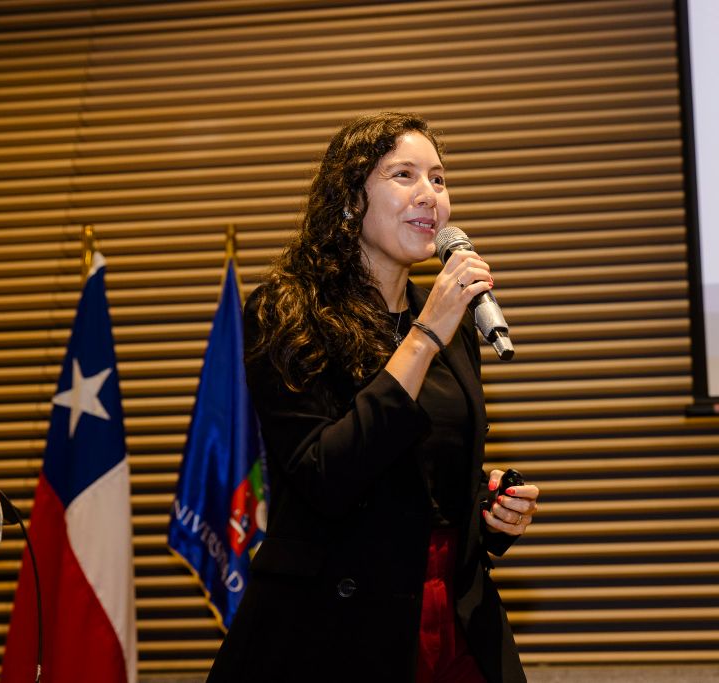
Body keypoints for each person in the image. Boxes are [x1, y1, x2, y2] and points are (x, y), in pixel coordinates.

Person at [207, 112, 540, 683]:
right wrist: (424, 336)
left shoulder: (454, 322)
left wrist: (490, 518)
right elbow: (324, 477)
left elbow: (422, 487)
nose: (429, 194)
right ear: (348, 199)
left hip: (452, 615)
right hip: (332, 631)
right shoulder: (288, 312)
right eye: (404, 175)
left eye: (438, 178)